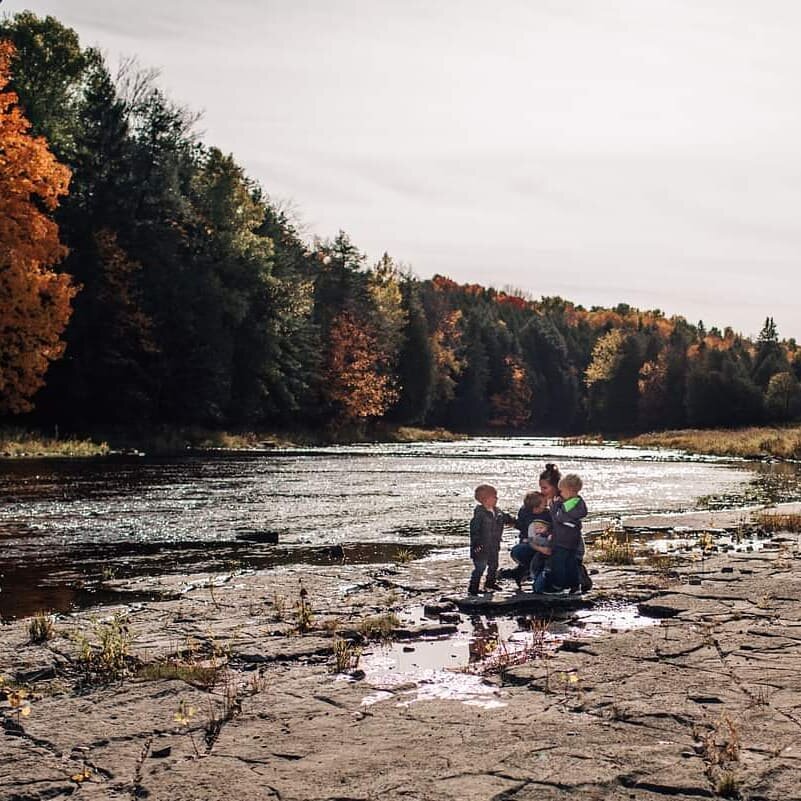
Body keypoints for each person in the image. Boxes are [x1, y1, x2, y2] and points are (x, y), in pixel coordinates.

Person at [545, 473, 588, 594]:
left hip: (565, 539)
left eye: (562, 491)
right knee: (570, 563)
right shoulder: (573, 502)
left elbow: (559, 516)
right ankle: (574, 585)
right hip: (569, 538)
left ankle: (559, 586)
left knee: (559, 562)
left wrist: (553, 506)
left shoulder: (572, 503)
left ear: (570, 490)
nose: (561, 494)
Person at [468, 484, 513, 595]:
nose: (496, 499)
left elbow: (507, 518)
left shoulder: (497, 512)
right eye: (494, 497)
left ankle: (490, 582)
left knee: (494, 564)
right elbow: (474, 531)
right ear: (485, 500)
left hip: (494, 544)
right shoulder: (480, 515)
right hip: (481, 547)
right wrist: (476, 545)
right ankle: (473, 587)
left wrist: (516, 522)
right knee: (480, 567)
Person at [504, 491, 550, 589]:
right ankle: (522, 572)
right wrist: (511, 521)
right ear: (535, 508)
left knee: (538, 559)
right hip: (528, 542)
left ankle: (521, 573)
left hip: (543, 544)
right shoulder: (524, 512)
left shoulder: (547, 513)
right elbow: (521, 526)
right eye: (543, 504)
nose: (546, 505)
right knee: (519, 551)